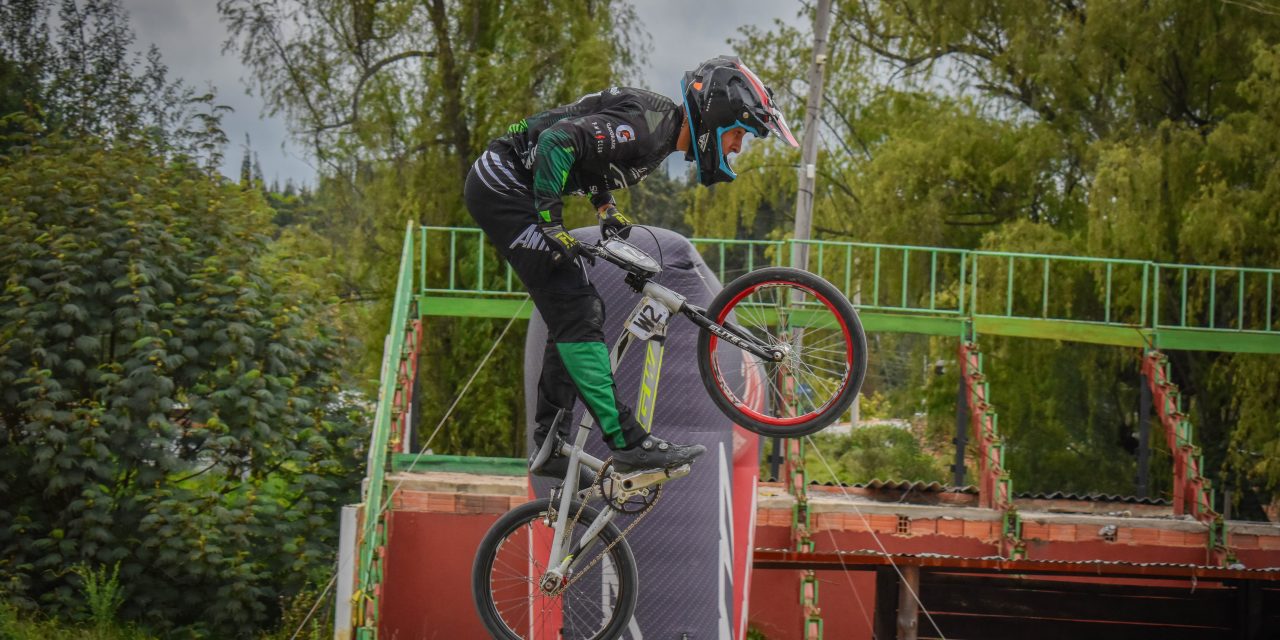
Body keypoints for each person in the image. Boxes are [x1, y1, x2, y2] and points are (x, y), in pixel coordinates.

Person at [464, 56, 798, 477]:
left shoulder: (655, 135)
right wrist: (551, 223)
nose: (736, 147)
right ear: (715, 121)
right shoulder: (645, 130)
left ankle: (551, 443)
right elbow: (557, 142)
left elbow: (591, 155)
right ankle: (625, 441)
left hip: (514, 185)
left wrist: (605, 207)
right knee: (577, 306)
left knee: (573, 309)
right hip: (501, 186)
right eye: (738, 134)